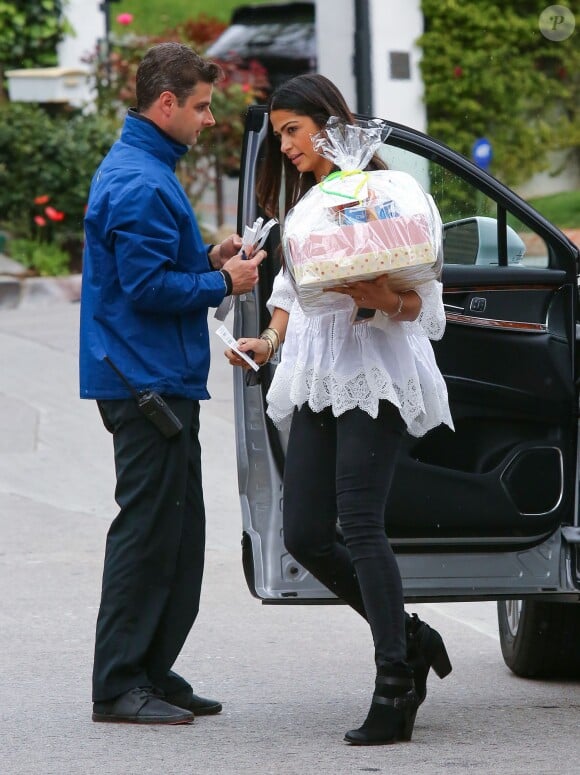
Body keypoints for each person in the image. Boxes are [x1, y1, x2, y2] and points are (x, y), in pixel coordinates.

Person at [225, 73, 453, 745]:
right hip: (318, 375)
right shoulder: (309, 208)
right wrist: (265, 342)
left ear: (327, 123)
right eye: (280, 134)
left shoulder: (383, 198)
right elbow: (293, 296)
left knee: (358, 519)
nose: (285, 144)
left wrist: (380, 294)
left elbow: (424, 307)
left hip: (374, 371)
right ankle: (411, 636)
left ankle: (393, 683)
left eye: (293, 130)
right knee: (303, 534)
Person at [79, 42, 265, 725]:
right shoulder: (138, 180)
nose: (207, 119)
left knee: (179, 535)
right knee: (149, 534)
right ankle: (118, 684)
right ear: (166, 105)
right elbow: (146, 287)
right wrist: (224, 280)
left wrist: (206, 255)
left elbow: (157, 262)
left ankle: (150, 670)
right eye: (200, 106)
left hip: (157, 377)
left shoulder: (149, 167)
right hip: (142, 383)